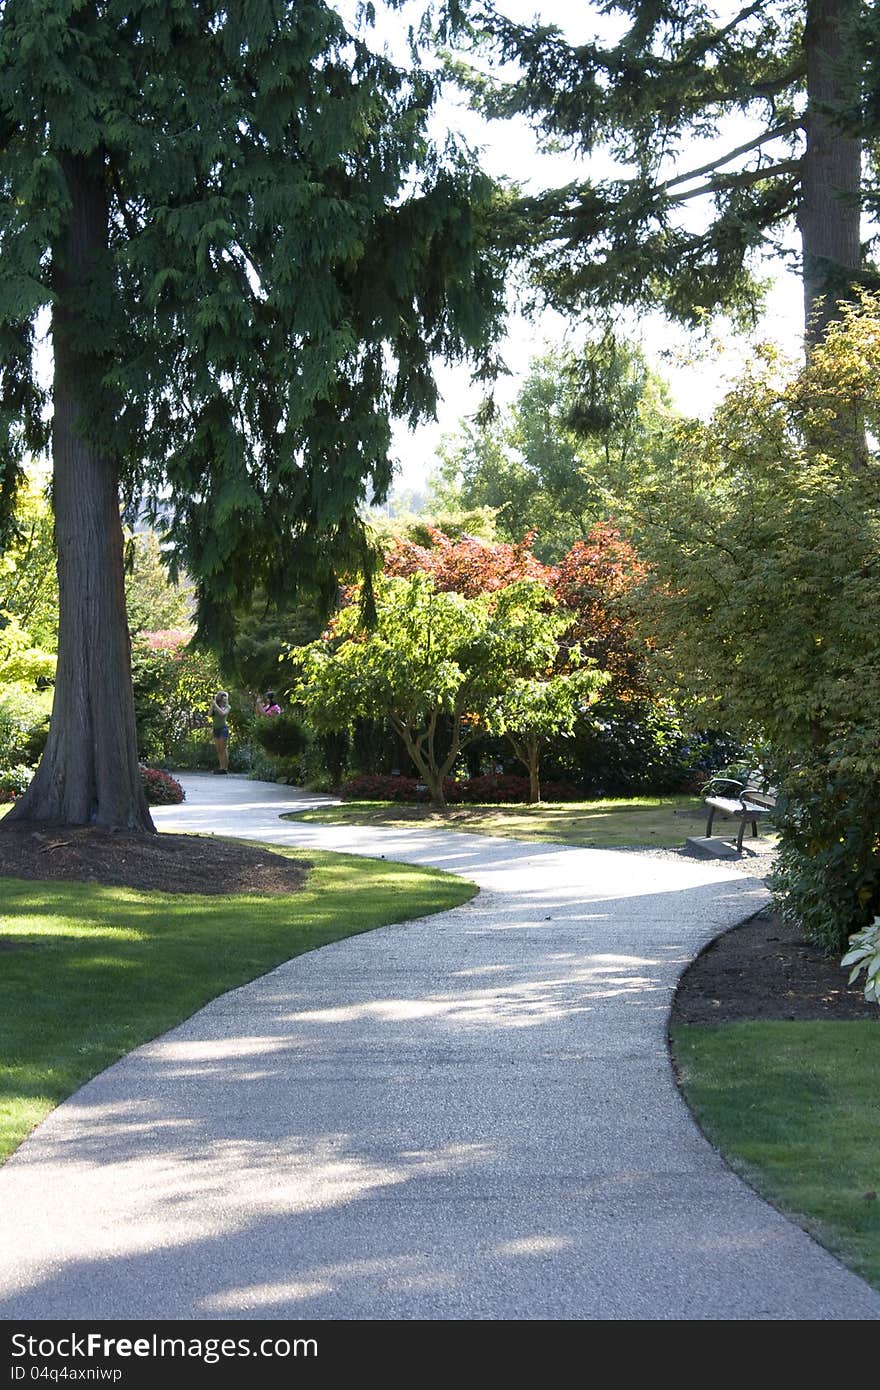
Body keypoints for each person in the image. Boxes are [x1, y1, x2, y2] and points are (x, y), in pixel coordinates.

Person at [210, 690, 231, 773]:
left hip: (223, 729)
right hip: (216, 729)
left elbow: (222, 714)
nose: (225, 700)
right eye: (223, 698)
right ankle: (221, 767)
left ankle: (225, 768)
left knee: (223, 748)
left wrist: (215, 705)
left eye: (226, 698)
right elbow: (209, 714)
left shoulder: (227, 707)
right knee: (218, 749)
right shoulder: (215, 706)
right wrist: (212, 705)